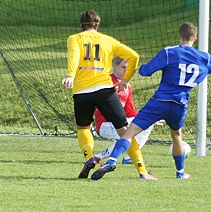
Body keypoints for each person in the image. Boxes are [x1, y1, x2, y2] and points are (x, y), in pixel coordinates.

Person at [91, 22, 211, 180]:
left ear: (179, 36)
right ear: (195, 39)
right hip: (179, 105)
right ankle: (180, 172)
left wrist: (141, 67)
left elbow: (146, 72)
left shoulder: (169, 53)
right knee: (176, 135)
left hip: (159, 102)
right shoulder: (205, 59)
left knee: (130, 132)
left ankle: (111, 161)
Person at [62, 10, 155, 180]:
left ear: (81, 25)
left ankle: (89, 157)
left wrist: (70, 75)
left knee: (83, 128)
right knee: (125, 131)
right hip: (105, 90)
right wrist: (126, 79)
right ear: (97, 25)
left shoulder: (74, 38)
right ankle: (142, 171)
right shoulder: (108, 40)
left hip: (82, 91)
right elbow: (134, 56)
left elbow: (74, 56)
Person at [91, 56, 154, 164]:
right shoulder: (106, 82)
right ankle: (101, 156)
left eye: (128, 69)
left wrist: (147, 118)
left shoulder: (127, 86)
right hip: (105, 124)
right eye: (123, 67)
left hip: (120, 123)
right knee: (127, 136)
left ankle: (129, 157)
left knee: (147, 123)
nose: (126, 71)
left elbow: (130, 111)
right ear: (115, 66)